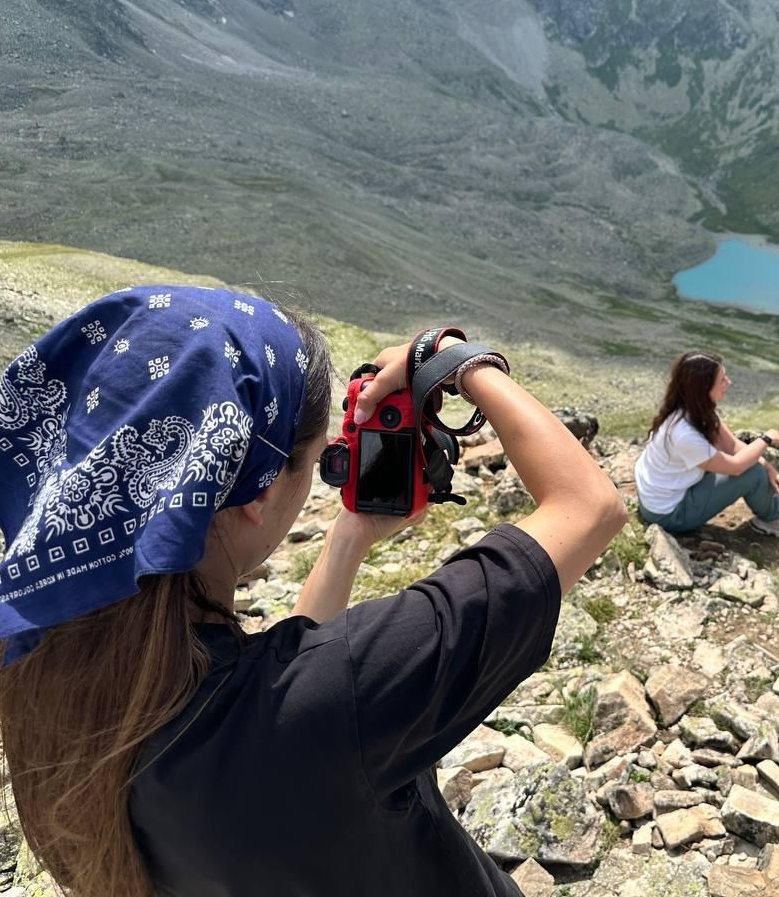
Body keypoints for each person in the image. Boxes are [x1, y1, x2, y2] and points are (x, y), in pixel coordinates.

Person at [0, 285, 627, 897]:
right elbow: (588, 507)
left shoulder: (43, 677)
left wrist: (349, 539)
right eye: (314, 458)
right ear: (263, 492)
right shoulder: (336, 697)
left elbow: (283, 689)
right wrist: (455, 362)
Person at [635, 350, 779, 539]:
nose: (729, 383)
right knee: (751, 471)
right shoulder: (683, 434)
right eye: (722, 380)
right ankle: (772, 519)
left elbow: (732, 446)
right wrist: (765, 440)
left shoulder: (694, 408)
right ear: (704, 388)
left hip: (669, 494)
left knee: (755, 464)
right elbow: (736, 467)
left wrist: (770, 469)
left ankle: (775, 500)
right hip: (669, 515)